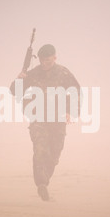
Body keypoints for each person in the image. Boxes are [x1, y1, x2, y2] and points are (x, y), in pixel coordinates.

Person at [10, 44, 81, 201]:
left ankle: (44, 179)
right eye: (42, 61)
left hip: (58, 120)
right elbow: (15, 91)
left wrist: (71, 111)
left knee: (54, 153)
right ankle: (41, 184)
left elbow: (75, 92)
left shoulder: (64, 73)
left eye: (48, 61)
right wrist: (19, 79)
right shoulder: (33, 74)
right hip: (38, 118)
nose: (44, 64)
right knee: (40, 148)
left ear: (55, 58)